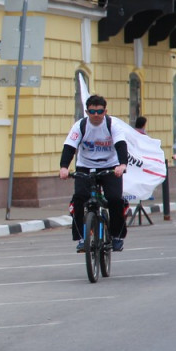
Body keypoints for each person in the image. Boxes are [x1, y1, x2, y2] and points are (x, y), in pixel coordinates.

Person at [59, 94, 128, 253]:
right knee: (78, 200)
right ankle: (82, 238)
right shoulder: (80, 126)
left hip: (110, 167)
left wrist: (122, 165)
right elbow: (69, 147)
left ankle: (117, 236)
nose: (96, 115)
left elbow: (120, 145)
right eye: (92, 111)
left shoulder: (113, 125)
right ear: (86, 111)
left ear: (105, 111)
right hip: (85, 167)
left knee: (115, 199)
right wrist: (64, 167)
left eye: (99, 111)